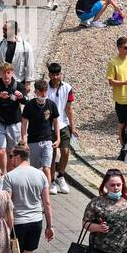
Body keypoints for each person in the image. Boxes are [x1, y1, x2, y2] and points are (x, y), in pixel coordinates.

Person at [3, 142, 53, 253]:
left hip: (18, 223)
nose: (10, 160)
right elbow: (47, 202)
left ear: (18, 156)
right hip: (36, 221)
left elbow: (7, 204)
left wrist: (5, 223)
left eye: (11, 157)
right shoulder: (40, 175)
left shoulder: (10, 177)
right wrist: (50, 225)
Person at [0, 62, 27, 171]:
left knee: (12, 153)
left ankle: (10, 177)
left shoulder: (18, 86)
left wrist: (21, 97)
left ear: (12, 73)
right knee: (0, 151)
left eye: (8, 73)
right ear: (0, 73)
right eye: (4, 73)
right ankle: (1, 176)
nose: (6, 75)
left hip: (14, 123)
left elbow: (26, 101)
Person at [47, 62, 75, 194]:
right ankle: (51, 181)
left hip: (63, 124)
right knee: (51, 155)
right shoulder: (44, 88)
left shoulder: (68, 88)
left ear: (61, 74)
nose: (56, 77)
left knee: (65, 152)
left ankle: (60, 175)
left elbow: (69, 108)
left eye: (58, 74)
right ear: (49, 75)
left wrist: (72, 126)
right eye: (53, 74)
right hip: (49, 126)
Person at [0, 19, 34, 90]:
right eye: (3, 28)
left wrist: (28, 82)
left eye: (5, 29)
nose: (3, 30)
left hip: (18, 81)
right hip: (3, 81)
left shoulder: (25, 46)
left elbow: (30, 64)